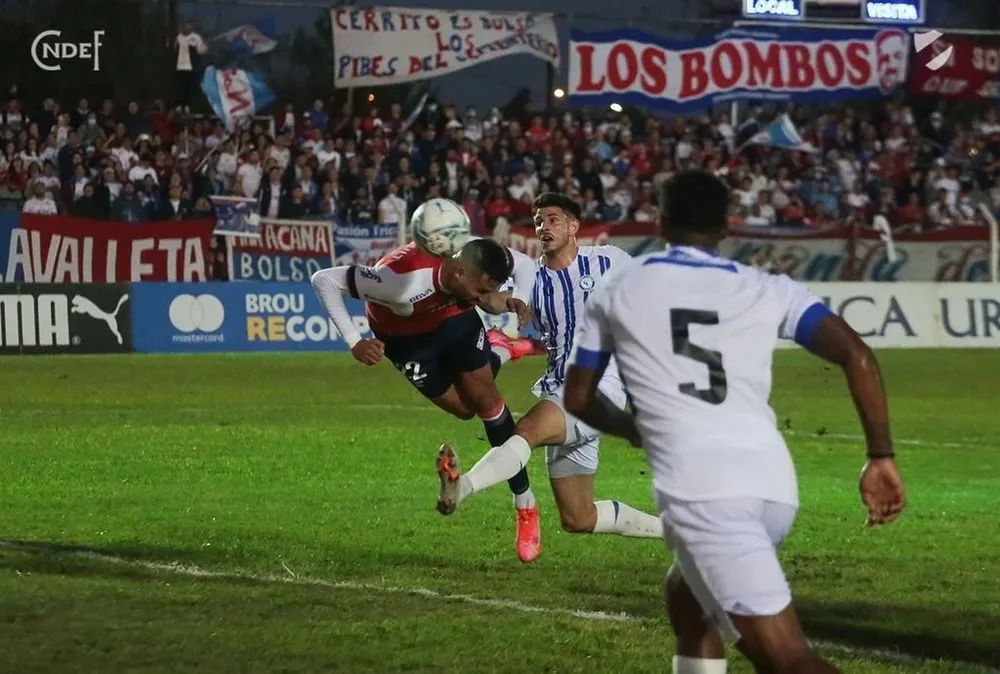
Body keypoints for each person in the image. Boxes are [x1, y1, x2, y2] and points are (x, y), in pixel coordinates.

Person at [561, 170, 906, 674]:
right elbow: (856, 354)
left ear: (661, 220)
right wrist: (880, 456)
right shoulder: (765, 286)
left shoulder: (620, 288)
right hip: (774, 486)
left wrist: (636, 429)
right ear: (727, 225)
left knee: (787, 658)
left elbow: (580, 395)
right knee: (687, 600)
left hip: (705, 492)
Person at [435, 192, 663, 564]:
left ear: (574, 227)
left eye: (554, 219)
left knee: (526, 431)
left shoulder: (608, 261)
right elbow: (506, 309)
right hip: (561, 389)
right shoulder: (533, 281)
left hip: (597, 390)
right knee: (578, 517)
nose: (544, 227)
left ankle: (463, 488)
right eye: (539, 220)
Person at [311, 236, 544, 561]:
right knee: (464, 409)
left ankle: (525, 503)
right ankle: (502, 348)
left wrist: (517, 297)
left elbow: (526, 264)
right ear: (460, 272)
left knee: (488, 403)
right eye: (480, 291)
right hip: (406, 343)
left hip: (454, 320)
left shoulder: (470, 248)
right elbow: (324, 279)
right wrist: (354, 340)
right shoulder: (400, 283)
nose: (485, 300)